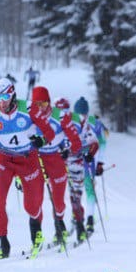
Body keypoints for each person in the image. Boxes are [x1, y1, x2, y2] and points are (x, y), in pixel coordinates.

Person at [0, 78, 55, 259]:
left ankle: (36, 229)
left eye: (6, 96)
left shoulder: (29, 108)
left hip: (27, 158)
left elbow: (49, 132)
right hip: (4, 159)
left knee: (31, 206)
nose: (3, 101)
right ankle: (3, 242)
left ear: (13, 93)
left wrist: (41, 140)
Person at [31, 86, 81, 249]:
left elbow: (76, 140)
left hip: (55, 157)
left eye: (44, 104)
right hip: (37, 158)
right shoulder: (29, 116)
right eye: (37, 104)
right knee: (35, 198)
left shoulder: (61, 117)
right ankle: (36, 232)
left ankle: (60, 226)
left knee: (58, 201)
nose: (41, 109)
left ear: (49, 103)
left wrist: (67, 149)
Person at [54, 97, 99, 243]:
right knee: (57, 198)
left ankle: (80, 227)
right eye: (58, 111)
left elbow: (94, 142)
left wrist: (89, 154)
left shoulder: (79, 120)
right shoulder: (50, 120)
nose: (62, 114)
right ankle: (59, 230)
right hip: (57, 163)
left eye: (65, 110)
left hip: (75, 163)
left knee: (75, 197)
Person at [73, 97, 108, 236]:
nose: (81, 116)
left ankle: (89, 218)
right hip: (77, 159)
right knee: (77, 189)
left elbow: (103, 142)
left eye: (82, 114)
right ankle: (80, 216)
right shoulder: (71, 120)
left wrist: (99, 162)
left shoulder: (94, 122)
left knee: (86, 188)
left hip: (87, 159)